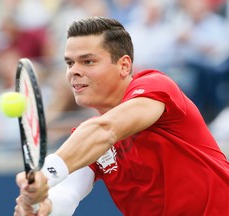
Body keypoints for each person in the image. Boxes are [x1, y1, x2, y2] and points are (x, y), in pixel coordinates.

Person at [14, 17, 229, 216]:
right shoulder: (86, 139)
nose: (74, 72)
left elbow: (106, 130)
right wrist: (40, 206)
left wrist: (46, 175)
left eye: (88, 61)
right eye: (70, 63)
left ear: (124, 65)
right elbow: (67, 194)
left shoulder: (155, 86)